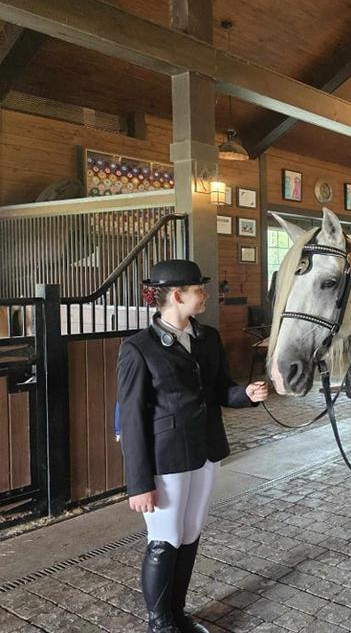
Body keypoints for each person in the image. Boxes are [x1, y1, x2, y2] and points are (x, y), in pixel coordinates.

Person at [117, 259, 268, 633]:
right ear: (177, 295)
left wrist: (245, 394)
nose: (205, 295)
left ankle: (178, 613)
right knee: (164, 539)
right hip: (165, 460)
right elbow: (130, 419)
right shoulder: (138, 348)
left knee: (189, 534)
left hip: (205, 451)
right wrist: (139, 483)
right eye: (199, 290)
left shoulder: (208, 337)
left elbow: (219, 389)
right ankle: (159, 622)